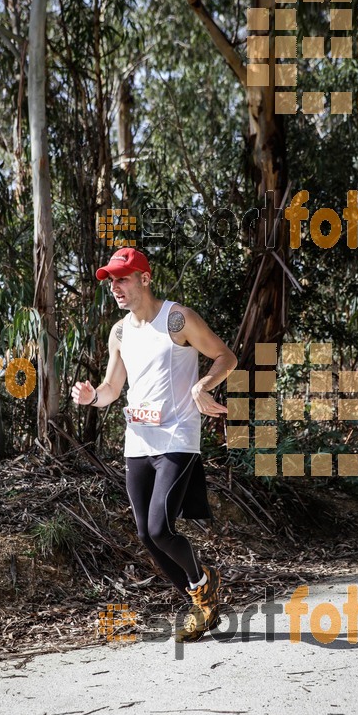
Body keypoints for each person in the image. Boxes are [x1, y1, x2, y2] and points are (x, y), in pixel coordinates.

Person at [71, 247, 237, 642]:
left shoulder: (177, 318)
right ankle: (203, 604)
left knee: (161, 528)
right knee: (146, 535)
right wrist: (92, 396)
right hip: (138, 442)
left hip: (177, 437)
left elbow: (225, 357)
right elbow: (112, 388)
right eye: (111, 280)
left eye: (123, 278)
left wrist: (202, 384)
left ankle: (203, 581)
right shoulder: (120, 331)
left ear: (145, 278)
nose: (116, 287)